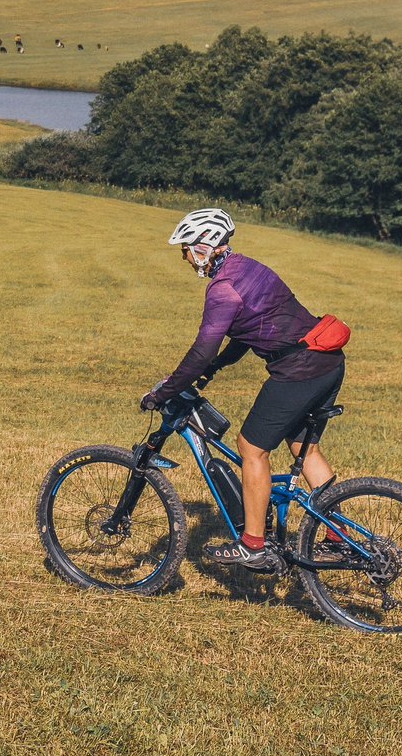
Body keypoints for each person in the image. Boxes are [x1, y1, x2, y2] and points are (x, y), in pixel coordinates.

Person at [140, 207, 342, 571]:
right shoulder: (249, 267)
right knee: (304, 448)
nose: (184, 256)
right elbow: (249, 329)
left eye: (185, 248)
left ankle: (252, 544)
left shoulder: (223, 288)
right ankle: (338, 537)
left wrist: (164, 392)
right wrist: (218, 367)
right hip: (327, 362)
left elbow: (201, 351)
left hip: (299, 370)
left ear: (204, 246)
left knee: (250, 446)